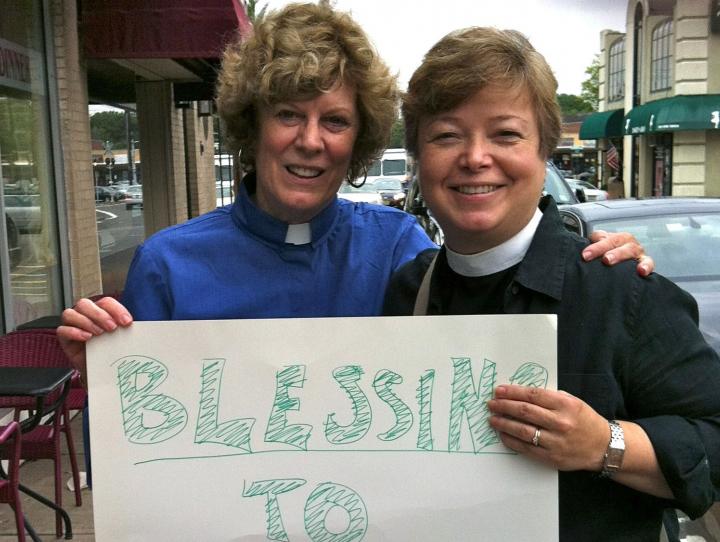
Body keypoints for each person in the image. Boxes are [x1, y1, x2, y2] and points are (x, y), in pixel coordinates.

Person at [57, 2, 649, 374]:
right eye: (289, 114)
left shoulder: (399, 248)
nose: (311, 141)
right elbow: (134, 460)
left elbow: (488, 327)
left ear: (359, 138)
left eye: (335, 121)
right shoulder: (167, 264)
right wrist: (102, 374)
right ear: (252, 125)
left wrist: (593, 263)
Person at [382, 27, 720, 541]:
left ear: (544, 153)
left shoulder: (619, 290)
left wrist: (604, 445)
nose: (475, 157)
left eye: (505, 134)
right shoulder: (406, 293)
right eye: (446, 135)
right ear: (418, 159)